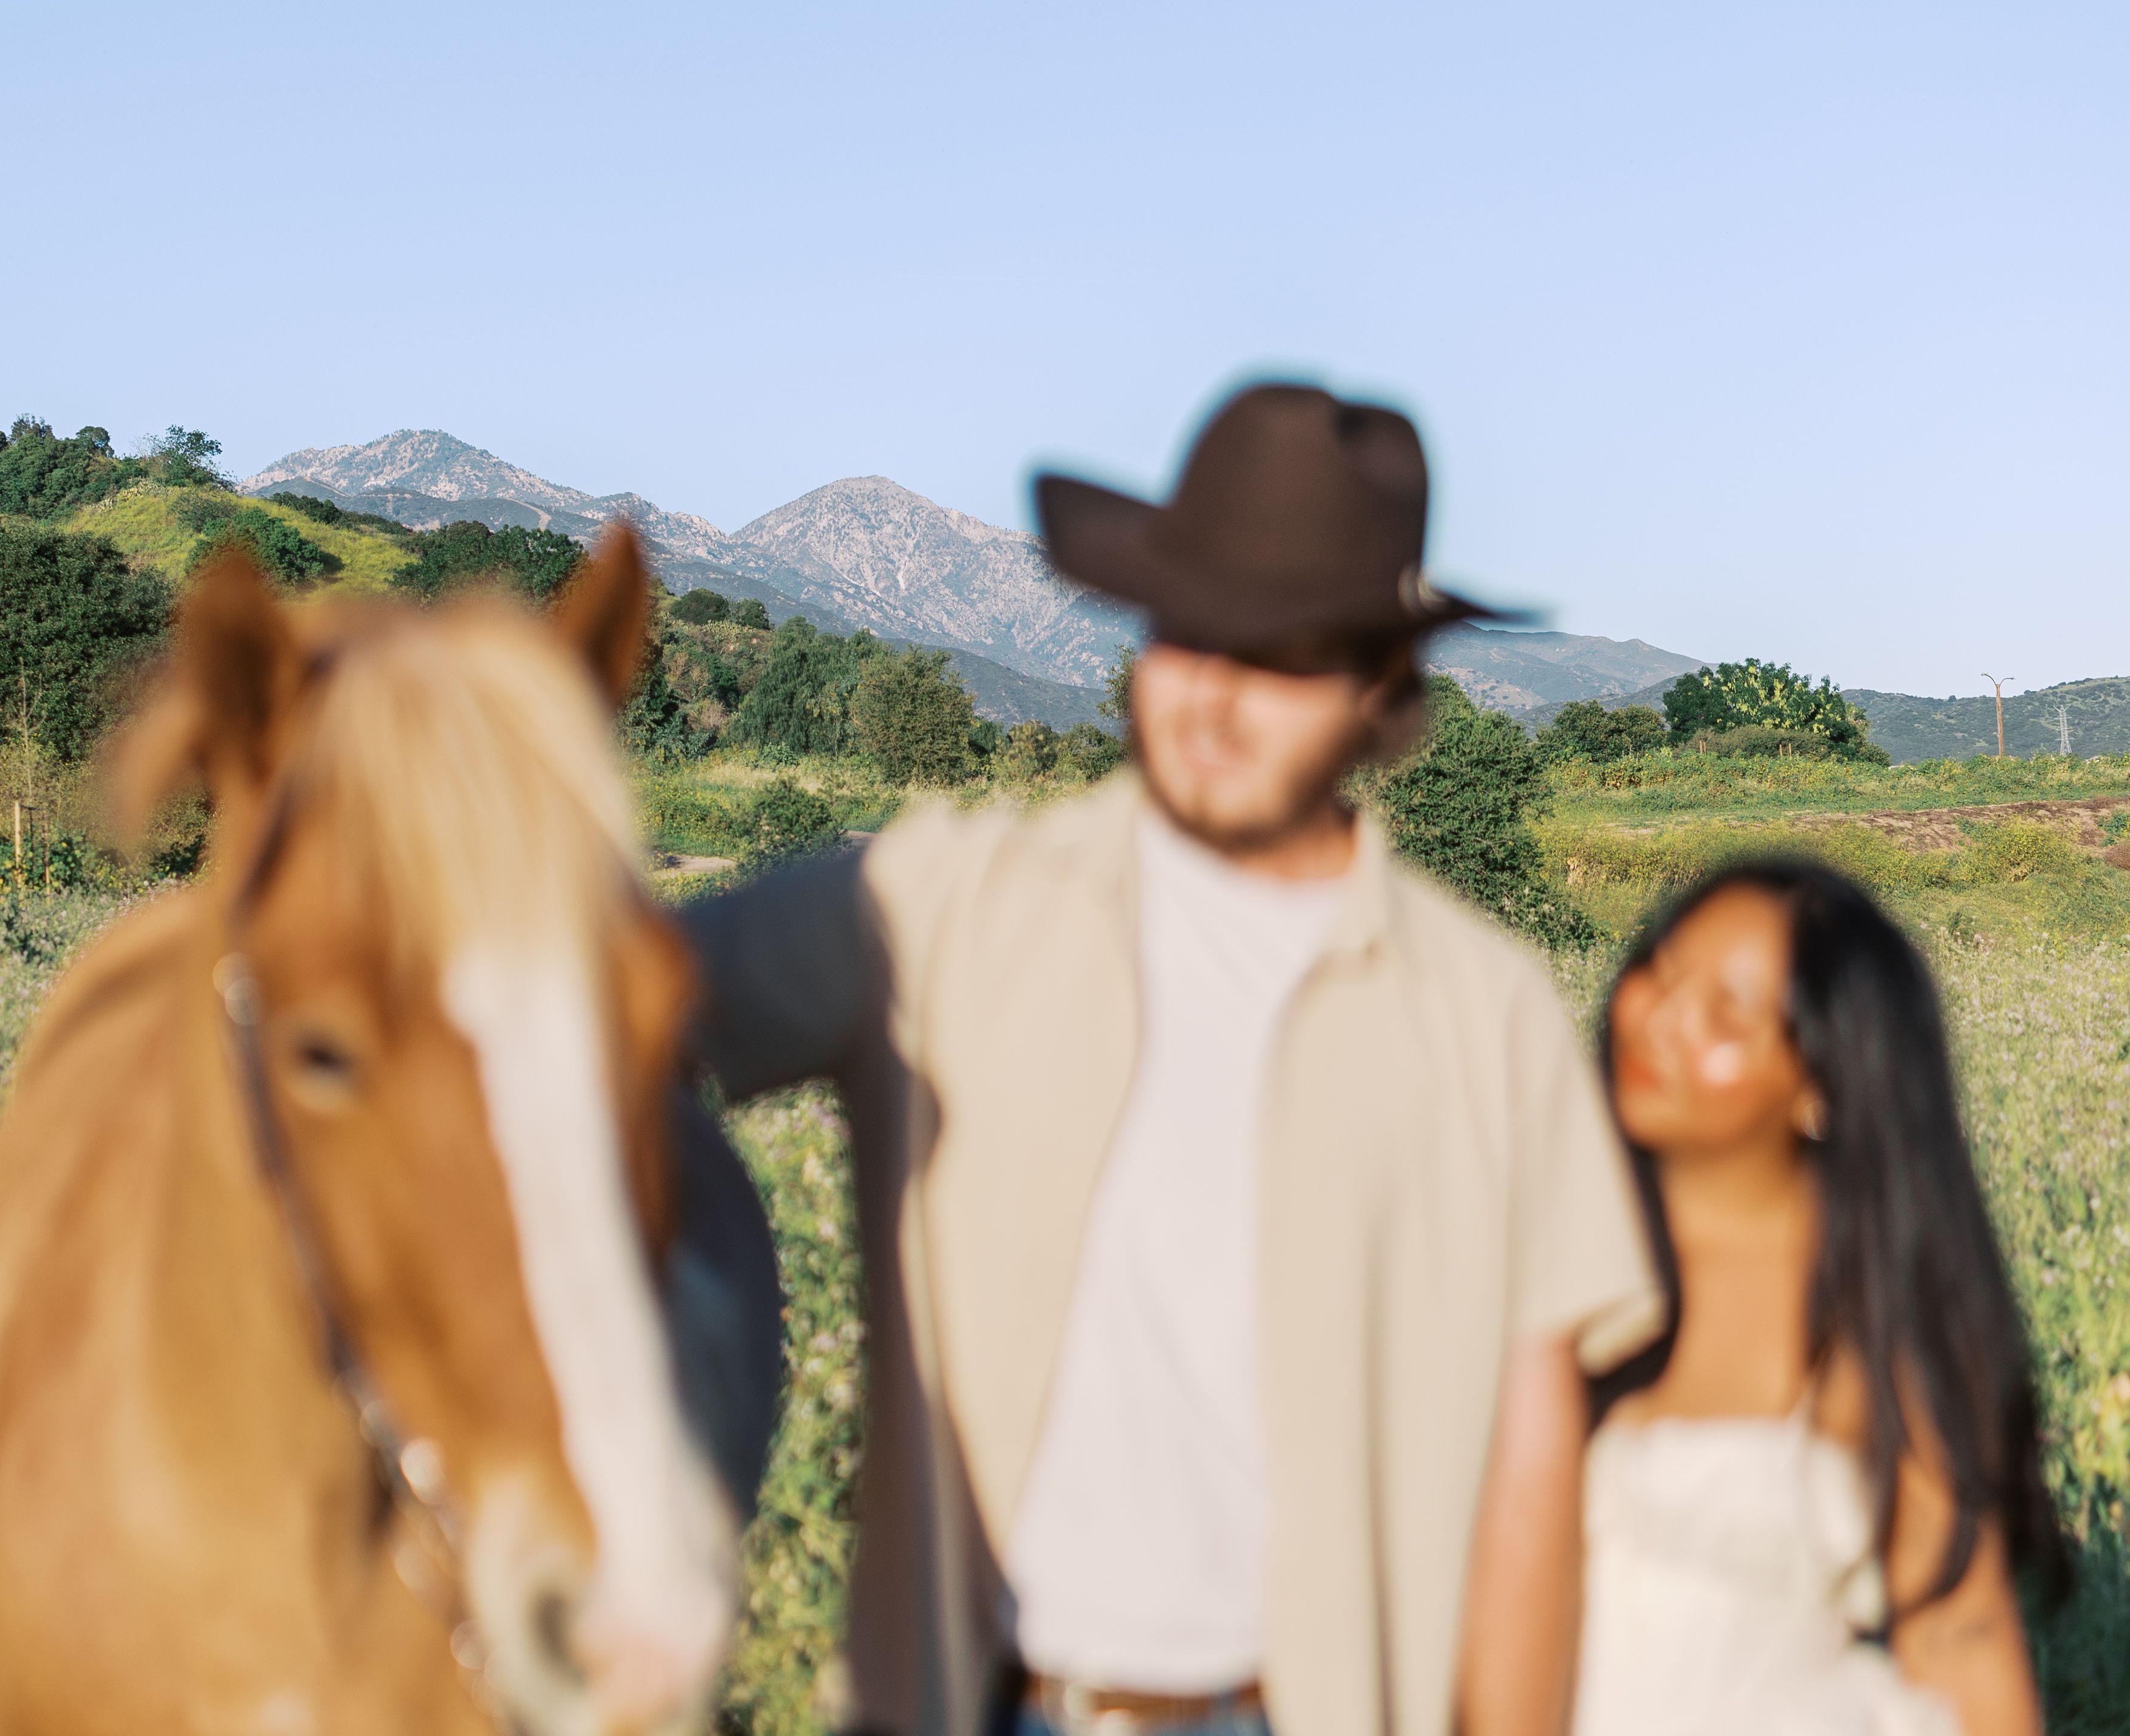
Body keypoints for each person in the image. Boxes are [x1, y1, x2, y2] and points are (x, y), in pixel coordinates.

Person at [680, 381, 1663, 1736]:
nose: (1212, 693)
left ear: (1385, 692)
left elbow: (1528, 1456)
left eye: (1281, 654)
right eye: (1187, 633)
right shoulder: (935, 906)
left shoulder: (1481, 1013)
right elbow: (594, 1008)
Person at [1578, 858, 2066, 1736]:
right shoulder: (1549, 1229)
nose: (1662, 1020)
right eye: (1660, 969)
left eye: (1726, 1013)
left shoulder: (1867, 1304)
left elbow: (1961, 1637)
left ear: (1823, 1080)